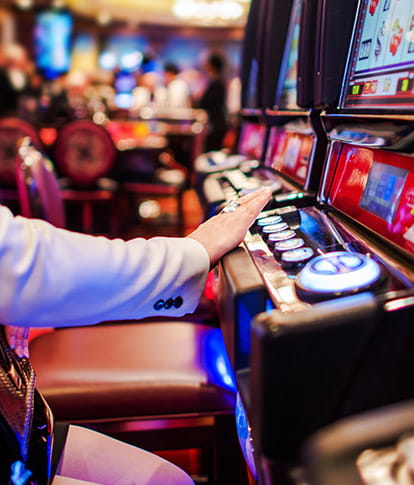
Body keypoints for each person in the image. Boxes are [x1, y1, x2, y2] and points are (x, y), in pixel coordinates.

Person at [0, 188, 272, 485]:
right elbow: (22, 264)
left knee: (172, 480)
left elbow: (23, 253)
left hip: (20, 418)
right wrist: (192, 252)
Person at [197, 52, 227, 152]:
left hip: (215, 124)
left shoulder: (217, 83)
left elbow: (208, 103)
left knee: (212, 150)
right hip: (215, 123)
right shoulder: (216, 81)